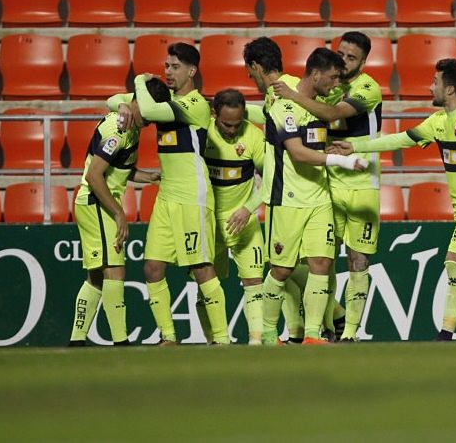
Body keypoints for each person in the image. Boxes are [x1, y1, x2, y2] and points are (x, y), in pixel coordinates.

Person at [331, 58, 456, 341]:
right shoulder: (439, 122)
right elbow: (400, 139)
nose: (430, 87)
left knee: (453, 262)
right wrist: (356, 145)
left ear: (449, 89)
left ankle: (446, 334)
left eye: (435, 82)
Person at [110, 42, 228, 345]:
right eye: (166, 66)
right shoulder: (166, 99)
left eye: (175, 67)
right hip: (166, 195)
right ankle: (169, 337)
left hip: (193, 194)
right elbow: (112, 101)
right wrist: (123, 104)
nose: (168, 72)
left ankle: (223, 340)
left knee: (201, 267)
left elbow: (146, 108)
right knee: (151, 267)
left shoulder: (196, 104)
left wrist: (138, 81)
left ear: (192, 71)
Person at [271, 31, 383, 342]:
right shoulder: (327, 87)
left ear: (363, 61)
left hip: (362, 184)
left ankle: (350, 332)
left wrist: (293, 94)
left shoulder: (367, 89)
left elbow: (333, 115)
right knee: (323, 259)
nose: (345, 63)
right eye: (342, 54)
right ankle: (330, 325)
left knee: (358, 259)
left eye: (352, 58)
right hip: (329, 183)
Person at [69, 80, 168, 346]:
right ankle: (120, 342)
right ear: (137, 102)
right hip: (97, 203)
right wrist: (119, 213)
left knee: (96, 277)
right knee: (116, 272)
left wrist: (149, 176)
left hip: (94, 203)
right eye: (147, 113)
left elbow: (121, 168)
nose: (149, 121)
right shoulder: (119, 128)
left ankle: (77, 341)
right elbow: (94, 174)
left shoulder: (132, 126)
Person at [242, 35, 309, 342]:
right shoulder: (278, 94)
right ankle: (304, 332)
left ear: (256, 66)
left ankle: (269, 335)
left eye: (249, 71)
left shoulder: (288, 92)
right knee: (300, 266)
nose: (249, 77)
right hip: (296, 193)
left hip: (291, 195)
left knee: (284, 267)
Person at [201, 89, 266, 345]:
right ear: (214, 113)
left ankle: (257, 342)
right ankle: (215, 342)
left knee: (254, 281)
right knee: (205, 285)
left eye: (237, 124)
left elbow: (271, 178)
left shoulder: (252, 135)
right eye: (227, 124)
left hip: (244, 220)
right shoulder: (201, 131)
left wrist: (247, 208)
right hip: (208, 223)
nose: (232, 130)